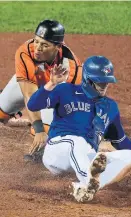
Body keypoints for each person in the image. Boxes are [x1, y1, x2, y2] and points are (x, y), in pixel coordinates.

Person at [27, 55, 131, 202]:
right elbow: (33, 105)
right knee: (77, 141)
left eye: (106, 81)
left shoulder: (111, 107)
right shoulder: (66, 90)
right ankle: (88, 181)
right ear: (88, 79)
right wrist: (51, 84)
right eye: (99, 82)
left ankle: (88, 187)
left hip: (84, 157)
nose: (104, 85)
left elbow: (121, 141)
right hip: (58, 151)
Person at [0, 19, 82, 156]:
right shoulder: (26, 51)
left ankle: (47, 151)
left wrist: (40, 130)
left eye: (44, 45)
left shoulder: (71, 70)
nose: (37, 48)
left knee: (46, 128)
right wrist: (38, 129)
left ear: (58, 46)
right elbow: (29, 95)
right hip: (34, 86)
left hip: (56, 96)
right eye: (36, 41)